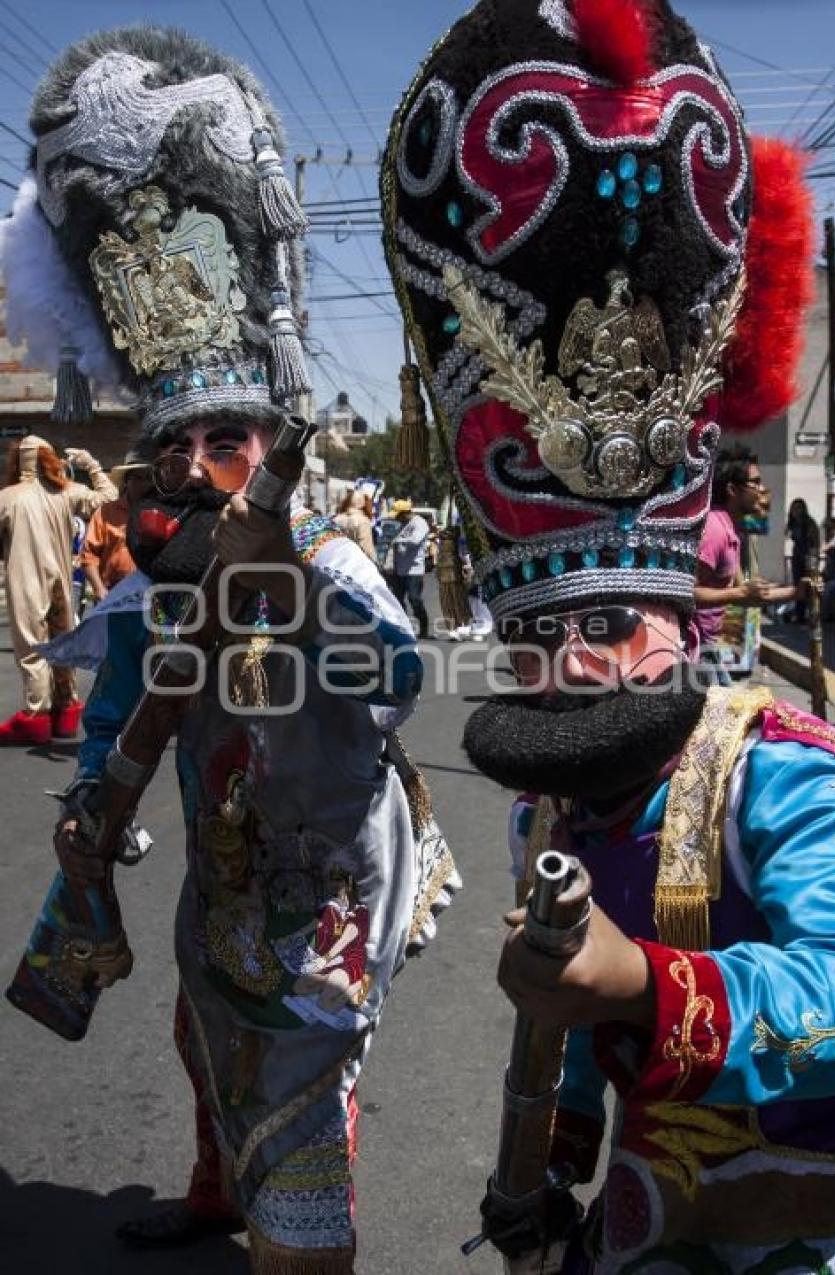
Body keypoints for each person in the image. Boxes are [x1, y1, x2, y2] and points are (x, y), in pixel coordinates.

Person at [382, 0, 835, 1269]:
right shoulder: (562, 806)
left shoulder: (780, 769)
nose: (573, 667)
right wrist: (545, 1159)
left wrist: (644, 984)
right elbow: (573, 1036)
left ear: (683, 620)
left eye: (608, 626)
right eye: (537, 639)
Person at [1, 26, 458, 1274]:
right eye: (178, 443)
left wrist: (295, 584)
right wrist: (97, 805)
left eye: (229, 441)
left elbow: (397, 680)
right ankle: (213, 1189)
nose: (200, 467)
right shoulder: (162, 579)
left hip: (325, 895)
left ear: (270, 442)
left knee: (304, 1137)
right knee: (202, 1024)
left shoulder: (328, 557)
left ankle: (294, 1235)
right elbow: (130, 697)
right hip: (226, 878)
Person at [0, 435, 116, 744]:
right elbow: (110, 497)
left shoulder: (8, 496)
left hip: (26, 577)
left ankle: (36, 715)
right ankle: (66, 709)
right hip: (63, 577)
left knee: (32, 645)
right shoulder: (67, 492)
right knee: (62, 640)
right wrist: (91, 465)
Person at [694, 447, 800, 679]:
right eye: (755, 483)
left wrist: (798, 591)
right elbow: (687, 594)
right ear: (732, 489)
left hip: (710, 649)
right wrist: (740, 593)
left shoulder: (732, 530)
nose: (762, 490)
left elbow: (747, 593)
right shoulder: (714, 530)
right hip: (694, 651)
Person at [80, 451, 153, 603]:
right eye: (138, 478)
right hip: (111, 593)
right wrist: (98, 588)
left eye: (148, 478)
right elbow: (89, 556)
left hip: (149, 596)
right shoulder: (106, 512)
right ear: (127, 481)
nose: (144, 484)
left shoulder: (159, 511)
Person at [386, 498, 430, 638]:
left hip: (414, 570)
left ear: (405, 513)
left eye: (398, 516)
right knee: (397, 600)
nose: (397, 519)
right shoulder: (402, 525)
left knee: (414, 599)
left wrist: (398, 540)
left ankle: (423, 627)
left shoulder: (419, 523)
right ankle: (404, 628)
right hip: (400, 570)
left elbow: (415, 540)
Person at [786, 496, 820, 622]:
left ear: (803, 510)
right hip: (797, 558)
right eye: (794, 509)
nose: (796, 512)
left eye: (799, 509)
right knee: (798, 586)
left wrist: (812, 563)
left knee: (810, 587)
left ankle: (812, 615)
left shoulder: (809, 524)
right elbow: (789, 536)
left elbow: (814, 544)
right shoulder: (794, 524)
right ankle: (800, 615)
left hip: (808, 559)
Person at [333, 488, 376, 561]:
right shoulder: (363, 521)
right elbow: (366, 548)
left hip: (338, 561)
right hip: (356, 563)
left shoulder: (336, 519)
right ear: (362, 503)